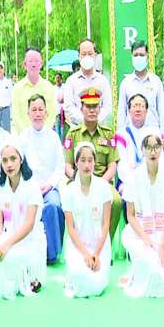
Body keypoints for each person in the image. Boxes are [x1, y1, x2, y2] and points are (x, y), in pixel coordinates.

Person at [120, 133, 164, 298]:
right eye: (148, 147)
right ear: (142, 150)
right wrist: (146, 240)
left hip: (161, 233)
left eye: (156, 147)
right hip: (138, 234)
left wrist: (161, 246)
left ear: (162, 149)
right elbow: (130, 216)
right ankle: (135, 273)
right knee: (151, 270)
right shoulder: (133, 177)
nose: (153, 152)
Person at [0, 139, 46, 299]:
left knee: (10, 256)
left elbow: (29, 224)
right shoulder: (0, 189)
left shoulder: (32, 186)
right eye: (5, 160)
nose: (9, 164)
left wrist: (6, 244)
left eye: (13, 159)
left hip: (30, 239)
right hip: (8, 236)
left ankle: (29, 279)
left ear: (21, 159)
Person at [64, 88, 121, 240]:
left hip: (103, 180)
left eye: (95, 106)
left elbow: (112, 166)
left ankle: (106, 241)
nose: (92, 110)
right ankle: (79, 241)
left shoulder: (108, 134)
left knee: (116, 201)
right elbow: (68, 166)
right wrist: (79, 179)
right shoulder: (73, 134)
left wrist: (99, 183)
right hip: (79, 181)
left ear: (99, 109)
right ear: (81, 108)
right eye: (88, 106)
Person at [60, 142, 112, 298]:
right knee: (79, 274)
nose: (87, 165)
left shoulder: (104, 187)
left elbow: (106, 223)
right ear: (76, 163)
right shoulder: (68, 191)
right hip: (78, 247)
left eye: (90, 160)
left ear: (95, 162)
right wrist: (85, 254)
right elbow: (71, 228)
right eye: (82, 160)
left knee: (97, 284)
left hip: (99, 246)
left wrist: (96, 253)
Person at [19, 94, 65, 264]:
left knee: (53, 206)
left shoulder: (53, 137)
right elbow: (19, 166)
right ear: (28, 114)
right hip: (28, 188)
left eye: (40, 109)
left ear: (46, 113)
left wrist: (49, 185)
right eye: (34, 110)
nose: (37, 113)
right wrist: (31, 187)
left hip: (49, 188)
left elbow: (59, 166)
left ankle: (52, 254)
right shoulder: (22, 137)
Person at [63, 39, 113, 126]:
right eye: (83, 54)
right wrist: (85, 121)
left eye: (90, 54)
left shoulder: (103, 80)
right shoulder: (71, 81)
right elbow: (69, 107)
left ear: (95, 55)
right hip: (78, 129)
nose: (87, 57)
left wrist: (95, 120)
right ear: (79, 56)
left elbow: (107, 106)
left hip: (99, 128)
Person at [116, 40, 164, 129]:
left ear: (147, 57)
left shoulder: (156, 81)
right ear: (131, 57)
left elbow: (162, 110)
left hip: (152, 131)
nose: (138, 57)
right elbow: (122, 111)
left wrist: (163, 132)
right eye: (136, 55)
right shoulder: (126, 83)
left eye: (142, 55)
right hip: (131, 132)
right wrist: (121, 133)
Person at [11, 48, 57, 135]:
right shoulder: (17, 89)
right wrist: (27, 136)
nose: (33, 64)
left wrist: (43, 134)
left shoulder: (49, 87)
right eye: (30, 61)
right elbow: (16, 116)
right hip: (24, 138)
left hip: (45, 137)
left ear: (41, 64)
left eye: (36, 61)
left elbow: (52, 115)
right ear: (24, 65)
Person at [115, 93, 158, 184]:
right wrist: (134, 182)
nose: (138, 109)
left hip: (151, 181)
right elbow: (122, 164)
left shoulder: (154, 133)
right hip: (128, 182)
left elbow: (159, 161)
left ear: (146, 111)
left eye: (141, 106)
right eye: (134, 106)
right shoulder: (121, 134)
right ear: (129, 110)